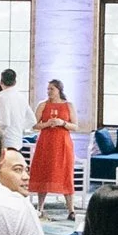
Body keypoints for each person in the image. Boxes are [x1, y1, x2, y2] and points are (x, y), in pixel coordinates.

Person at [30, 79, 77, 207]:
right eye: (48, 89)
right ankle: (40, 206)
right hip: (46, 142)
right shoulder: (42, 105)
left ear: (59, 90)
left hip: (62, 142)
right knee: (44, 171)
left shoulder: (68, 105)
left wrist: (62, 123)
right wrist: (47, 123)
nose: (49, 91)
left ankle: (71, 209)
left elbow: (75, 126)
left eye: (52, 89)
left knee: (65, 172)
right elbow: (34, 124)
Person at [0, 67, 34, 153]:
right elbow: (32, 120)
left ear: (1, 82)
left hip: (5, 141)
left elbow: (5, 122)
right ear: (15, 82)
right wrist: (19, 127)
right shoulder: (21, 97)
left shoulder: (2, 97)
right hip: (18, 141)